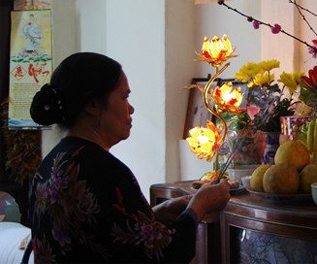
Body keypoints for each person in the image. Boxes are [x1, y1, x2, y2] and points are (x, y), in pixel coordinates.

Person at [27, 52, 231, 263]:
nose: (131, 108)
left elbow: (104, 234)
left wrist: (157, 214)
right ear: (93, 105)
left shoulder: (50, 164)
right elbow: (166, 254)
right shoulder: (102, 170)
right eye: (124, 97)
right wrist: (199, 206)